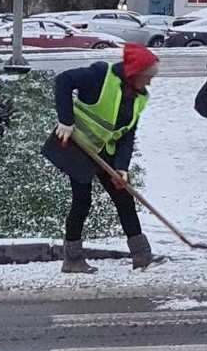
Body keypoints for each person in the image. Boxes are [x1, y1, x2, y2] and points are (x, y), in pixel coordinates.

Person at [43, 43, 161, 273]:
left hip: (106, 152)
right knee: (82, 201)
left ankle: (142, 255)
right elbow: (63, 81)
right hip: (77, 147)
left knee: (124, 198)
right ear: (133, 73)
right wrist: (65, 120)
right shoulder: (99, 75)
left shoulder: (139, 97)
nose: (149, 82)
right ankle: (72, 259)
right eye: (147, 76)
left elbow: (127, 135)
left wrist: (122, 168)